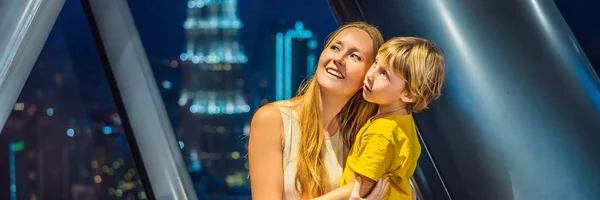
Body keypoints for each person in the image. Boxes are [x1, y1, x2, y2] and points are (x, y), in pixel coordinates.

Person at [248, 22, 387, 200]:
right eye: (335, 48)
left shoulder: (369, 134)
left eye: (355, 56)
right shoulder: (272, 120)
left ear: (368, 76)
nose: (339, 59)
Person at [338, 37, 445, 199]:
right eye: (375, 63)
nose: (370, 75)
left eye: (384, 74)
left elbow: (355, 190)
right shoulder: (403, 124)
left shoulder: (382, 132)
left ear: (409, 94)